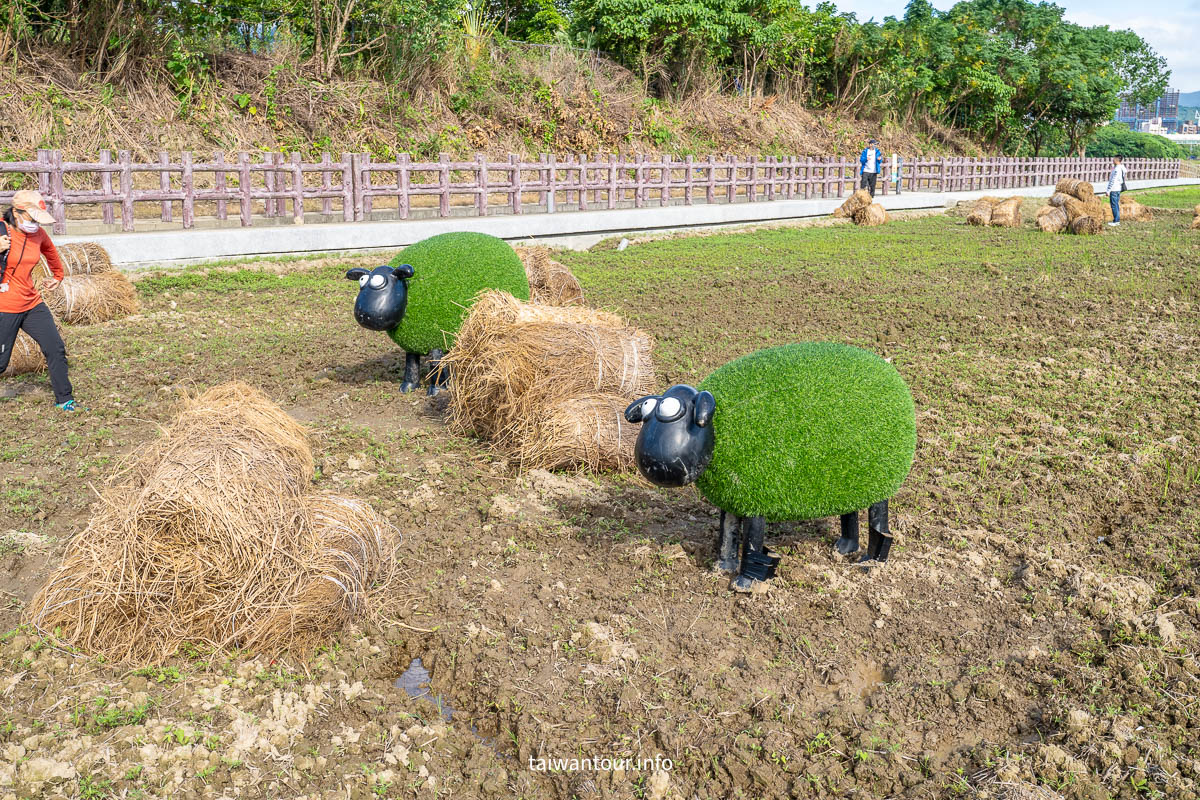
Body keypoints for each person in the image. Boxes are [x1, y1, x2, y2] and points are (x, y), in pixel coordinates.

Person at [0, 190, 78, 411]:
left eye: (38, 219)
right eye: (32, 218)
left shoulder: (38, 234)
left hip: (32, 303)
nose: (35, 223)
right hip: (5, 306)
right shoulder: (0, 230)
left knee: (55, 348)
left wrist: (57, 275)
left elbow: (51, 253)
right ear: (16, 212)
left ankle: (65, 400)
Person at [1106, 155, 1126, 227]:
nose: (1112, 160)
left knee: (1114, 205)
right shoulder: (1121, 168)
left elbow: (1113, 180)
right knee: (1116, 205)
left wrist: (1108, 190)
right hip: (1118, 188)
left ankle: (1116, 221)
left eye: (1114, 159)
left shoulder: (1117, 169)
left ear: (1117, 160)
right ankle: (1117, 220)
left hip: (1114, 189)